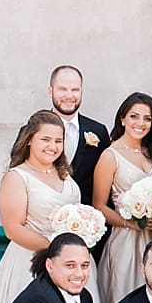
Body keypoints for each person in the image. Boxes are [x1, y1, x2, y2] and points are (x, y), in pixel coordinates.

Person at [0, 110, 104, 303]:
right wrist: (57, 250)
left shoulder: (63, 174)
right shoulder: (17, 177)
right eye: (45, 139)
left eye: (58, 141)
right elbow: (13, 229)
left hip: (74, 263)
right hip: (32, 261)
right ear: (29, 139)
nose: (53, 147)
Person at [94, 93, 152, 303]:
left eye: (147, 118)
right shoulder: (110, 156)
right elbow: (99, 205)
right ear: (122, 119)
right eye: (134, 116)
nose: (140, 123)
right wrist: (132, 223)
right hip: (126, 238)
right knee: (127, 296)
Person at [44, 65, 111, 244]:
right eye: (62, 89)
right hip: (45, 228)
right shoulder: (32, 131)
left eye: (75, 90)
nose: (69, 95)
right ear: (50, 91)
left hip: (88, 234)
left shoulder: (98, 131)